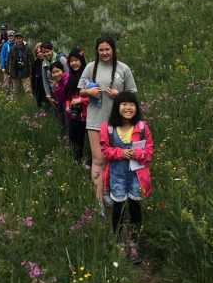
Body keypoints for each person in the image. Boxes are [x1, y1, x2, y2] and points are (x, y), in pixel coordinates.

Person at [78, 34, 137, 203]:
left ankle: (111, 191)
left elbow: (132, 95)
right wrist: (89, 92)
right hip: (95, 121)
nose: (104, 53)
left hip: (119, 123)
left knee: (116, 158)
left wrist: (120, 96)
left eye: (107, 49)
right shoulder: (90, 67)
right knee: (98, 159)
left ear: (113, 50)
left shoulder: (123, 69)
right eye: (101, 50)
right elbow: (81, 90)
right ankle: (99, 199)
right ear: (97, 51)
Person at [100, 91, 153, 263]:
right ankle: (119, 243)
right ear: (117, 107)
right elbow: (105, 151)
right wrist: (121, 152)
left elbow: (149, 151)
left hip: (137, 176)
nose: (128, 107)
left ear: (136, 108)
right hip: (117, 176)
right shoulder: (107, 129)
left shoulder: (142, 127)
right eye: (123, 104)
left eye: (131, 104)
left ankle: (134, 243)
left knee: (135, 209)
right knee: (118, 209)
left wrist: (138, 153)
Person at [64, 48, 88, 162]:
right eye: (71, 61)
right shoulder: (71, 77)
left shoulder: (89, 75)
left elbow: (96, 95)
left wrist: (81, 100)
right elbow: (67, 95)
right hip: (75, 116)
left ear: (81, 60)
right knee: (75, 141)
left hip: (89, 115)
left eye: (76, 60)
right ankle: (77, 162)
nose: (74, 63)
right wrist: (68, 105)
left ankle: (91, 161)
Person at [41, 42, 69, 109]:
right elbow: (45, 80)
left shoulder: (61, 59)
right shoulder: (44, 63)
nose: (46, 54)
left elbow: (69, 75)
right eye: (43, 52)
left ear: (52, 50)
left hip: (65, 92)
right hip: (54, 93)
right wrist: (48, 96)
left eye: (48, 51)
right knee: (58, 114)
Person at [50, 60, 70, 131]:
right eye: (53, 73)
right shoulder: (58, 82)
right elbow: (60, 100)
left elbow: (67, 96)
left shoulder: (67, 79)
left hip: (72, 107)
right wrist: (56, 87)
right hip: (66, 108)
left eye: (58, 71)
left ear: (62, 70)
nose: (56, 74)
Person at [31, 43, 47, 108]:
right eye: (37, 53)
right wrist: (34, 91)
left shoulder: (48, 61)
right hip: (39, 90)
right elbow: (33, 79)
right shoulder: (35, 63)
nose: (39, 54)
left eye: (40, 51)